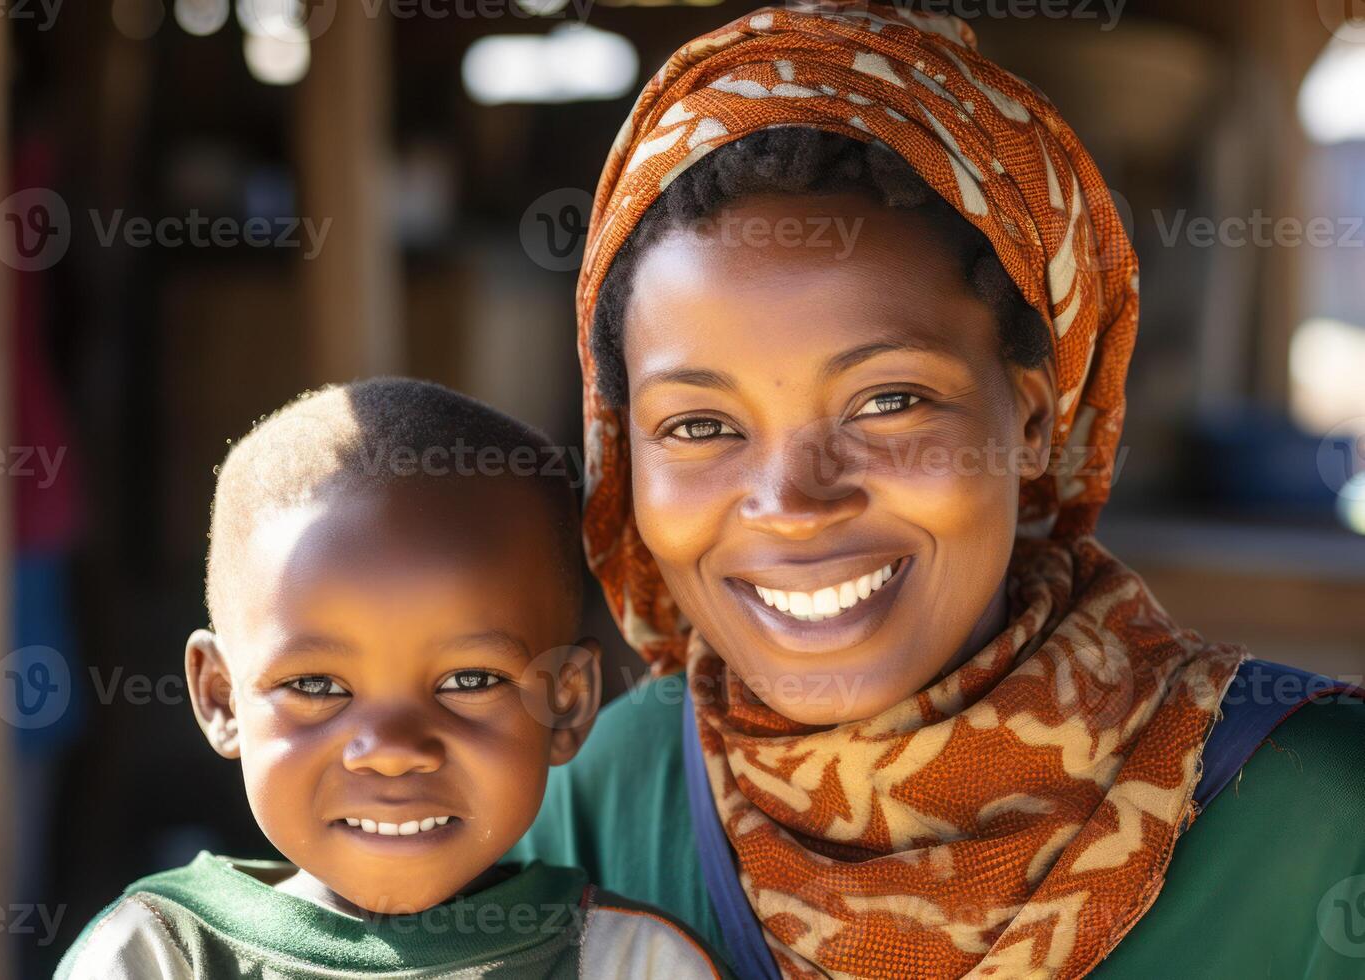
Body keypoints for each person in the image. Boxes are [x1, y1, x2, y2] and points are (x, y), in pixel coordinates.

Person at [510, 4, 1365, 978]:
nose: (791, 499)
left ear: (1035, 419)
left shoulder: (1320, 814)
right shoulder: (602, 798)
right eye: (700, 424)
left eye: (889, 400)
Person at [56, 378, 726, 979]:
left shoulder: (627, 964)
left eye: (467, 680)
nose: (392, 747)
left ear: (567, 702)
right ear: (220, 697)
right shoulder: (157, 958)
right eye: (317, 687)